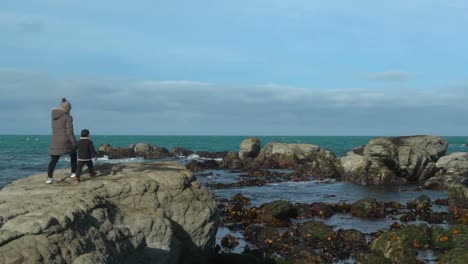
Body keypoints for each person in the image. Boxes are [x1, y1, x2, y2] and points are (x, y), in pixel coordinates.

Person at [47, 98, 77, 183]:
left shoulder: (54, 117)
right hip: (65, 140)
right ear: (68, 108)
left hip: (55, 140)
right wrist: (74, 143)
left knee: (54, 160)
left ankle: (49, 178)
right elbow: (69, 132)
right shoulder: (68, 117)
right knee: (73, 153)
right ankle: (73, 173)